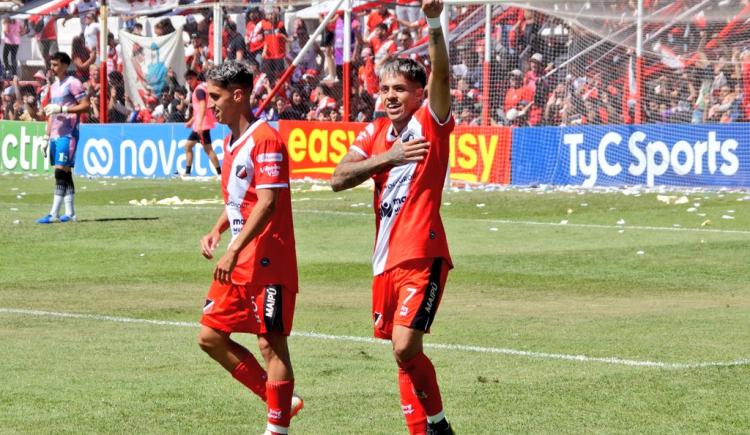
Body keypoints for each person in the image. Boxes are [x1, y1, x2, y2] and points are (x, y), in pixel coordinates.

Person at [330, 0, 455, 434]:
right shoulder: (376, 134)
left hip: (422, 253)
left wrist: (434, 22)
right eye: (385, 90)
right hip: (384, 261)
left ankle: (438, 425)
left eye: (399, 89)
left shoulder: (431, 123)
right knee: (399, 354)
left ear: (419, 94)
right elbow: (338, 177)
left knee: (405, 346)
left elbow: (441, 73)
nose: (390, 97)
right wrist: (390, 157)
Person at [197, 60, 302, 435]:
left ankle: (277, 429)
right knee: (210, 336)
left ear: (238, 96)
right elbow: (242, 199)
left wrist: (233, 249)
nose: (210, 104)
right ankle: (281, 402)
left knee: (270, 346)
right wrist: (217, 230)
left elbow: (268, 202)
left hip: (268, 260)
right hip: (241, 258)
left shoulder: (266, 140)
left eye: (215, 96)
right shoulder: (230, 141)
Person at [37, 52, 91, 224]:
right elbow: (50, 113)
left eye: (55, 65)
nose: (52, 68)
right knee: (65, 173)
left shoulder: (73, 83)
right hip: (56, 134)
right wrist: (46, 137)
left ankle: (54, 213)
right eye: (51, 64)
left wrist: (63, 109)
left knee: (59, 171)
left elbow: (86, 106)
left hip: (68, 133)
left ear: (65, 66)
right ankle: (70, 212)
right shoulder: (53, 86)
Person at [183, 69, 221, 176]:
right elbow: (198, 110)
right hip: (199, 125)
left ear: (196, 78)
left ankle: (220, 173)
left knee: (208, 149)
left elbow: (203, 107)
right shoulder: (200, 88)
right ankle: (188, 172)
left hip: (202, 125)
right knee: (188, 146)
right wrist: (191, 121)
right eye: (187, 79)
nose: (189, 81)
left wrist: (199, 124)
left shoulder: (199, 90)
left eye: (191, 78)